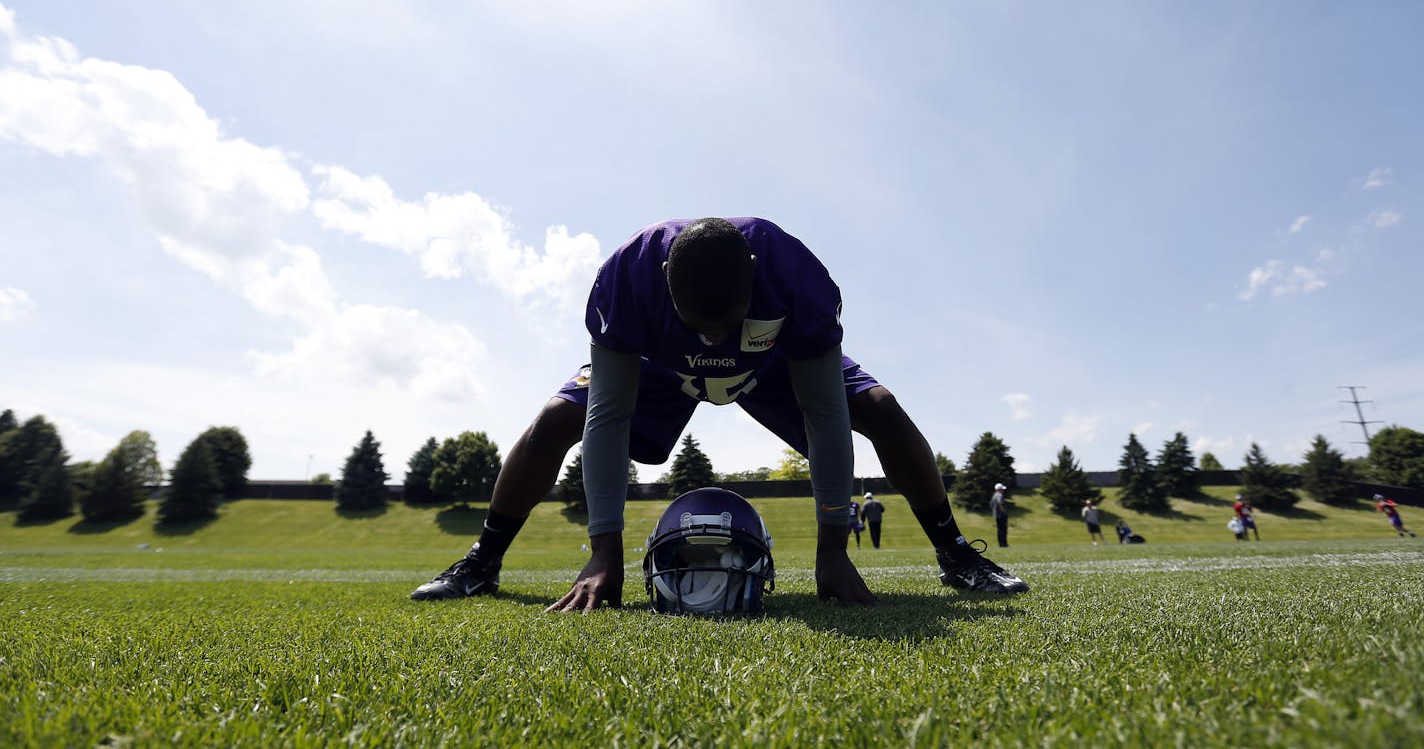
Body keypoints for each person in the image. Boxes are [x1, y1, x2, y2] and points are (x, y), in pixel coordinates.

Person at [409, 217, 1029, 610]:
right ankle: (481, 563)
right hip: (658, 364)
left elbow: (823, 413)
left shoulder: (793, 274)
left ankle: (956, 555)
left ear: (753, 279)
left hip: (773, 361)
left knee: (879, 409)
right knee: (553, 420)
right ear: (663, 281)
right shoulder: (626, 279)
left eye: (723, 323)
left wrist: (833, 548)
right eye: (696, 324)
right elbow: (608, 415)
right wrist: (604, 551)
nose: (711, 341)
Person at [989, 482, 1010, 548]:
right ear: (999, 489)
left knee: (1000, 530)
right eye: (1002, 489)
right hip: (1001, 515)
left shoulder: (994, 495)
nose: (1003, 490)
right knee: (1003, 530)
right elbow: (1000, 503)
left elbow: (991, 504)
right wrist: (1003, 511)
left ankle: (1001, 544)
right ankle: (1004, 544)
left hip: (997, 515)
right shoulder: (999, 495)